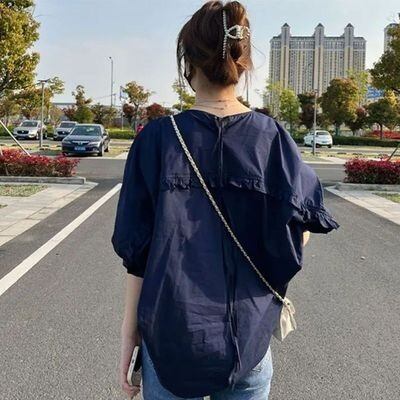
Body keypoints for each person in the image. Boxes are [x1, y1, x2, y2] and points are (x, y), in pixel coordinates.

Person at [111, 1, 339, 399]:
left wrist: (130, 336)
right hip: (247, 341)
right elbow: (302, 228)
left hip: (170, 339)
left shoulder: (158, 140)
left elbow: (138, 257)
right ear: (242, 63)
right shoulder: (272, 139)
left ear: (187, 64)